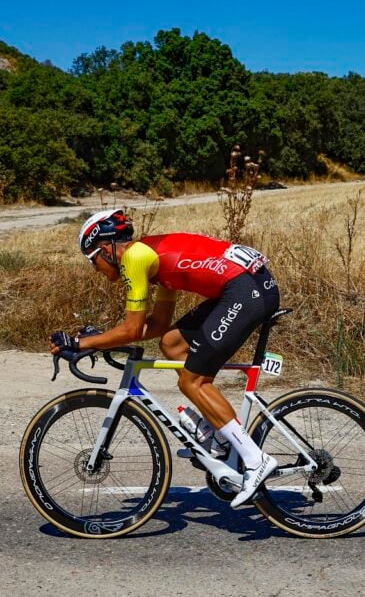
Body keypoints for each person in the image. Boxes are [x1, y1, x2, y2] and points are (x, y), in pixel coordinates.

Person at [51, 209, 281, 507]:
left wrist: (82, 343)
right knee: (172, 344)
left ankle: (255, 460)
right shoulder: (150, 259)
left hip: (245, 291)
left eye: (91, 258)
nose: (94, 268)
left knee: (193, 381)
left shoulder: (134, 258)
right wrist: (98, 340)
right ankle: (222, 439)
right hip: (246, 286)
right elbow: (157, 327)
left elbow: (132, 328)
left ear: (105, 248)